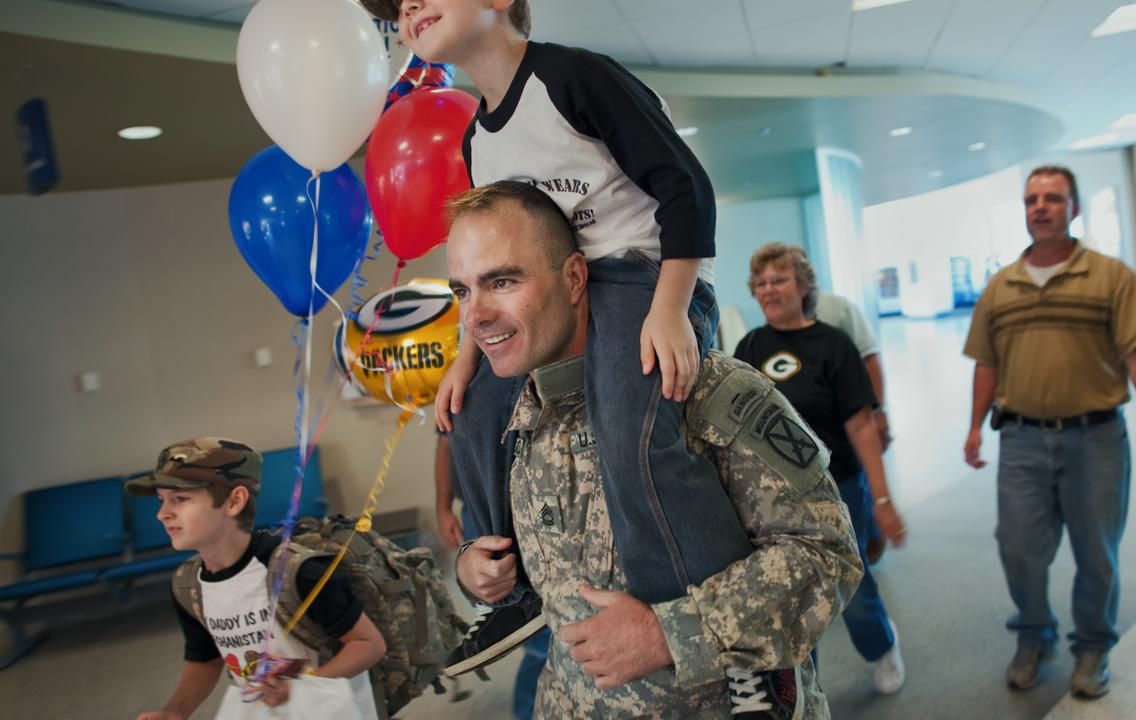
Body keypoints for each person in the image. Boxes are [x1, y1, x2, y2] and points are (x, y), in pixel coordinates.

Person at [360, 0, 756, 682]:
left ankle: (705, 632)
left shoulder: (575, 78)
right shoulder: (476, 141)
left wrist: (670, 308)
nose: (409, 8)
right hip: (552, 287)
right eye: (398, 6)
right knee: (472, 415)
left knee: (630, 432)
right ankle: (514, 590)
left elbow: (686, 188)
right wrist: (464, 362)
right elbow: (488, 264)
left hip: (642, 272)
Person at [444, 181, 861, 718]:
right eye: (462, 291)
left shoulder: (697, 388)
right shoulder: (516, 419)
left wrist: (671, 634)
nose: (475, 315)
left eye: (501, 281)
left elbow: (828, 554)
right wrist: (474, 572)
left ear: (573, 277)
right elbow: (540, 574)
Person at [963, 166, 1136, 699]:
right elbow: (986, 363)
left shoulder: (1111, 277)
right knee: (1017, 548)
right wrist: (973, 427)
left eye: (1054, 198)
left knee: (1096, 552)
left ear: (1074, 209)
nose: (1041, 207)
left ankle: (1093, 646)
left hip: (1096, 439)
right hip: (1021, 440)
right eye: (1032, 199)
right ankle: (1034, 634)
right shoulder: (1001, 286)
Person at [735, 243, 907, 696]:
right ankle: (804, 686)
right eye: (761, 283)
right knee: (788, 592)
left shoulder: (834, 344)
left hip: (837, 488)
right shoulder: (750, 346)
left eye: (779, 279)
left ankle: (883, 645)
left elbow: (860, 425)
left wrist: (884, 499)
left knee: (851, 586)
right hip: (772, 496)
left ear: (804, 286)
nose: (769, 289)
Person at [130, 438, 386, 719]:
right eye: (161, 500)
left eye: (180, 499)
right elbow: (205, 659)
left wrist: (301, 688)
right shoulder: (187, 584)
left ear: (235, 501)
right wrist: (175, 711)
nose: (162, 514)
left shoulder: (298, 572)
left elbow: (369, 645)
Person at [435, 430, 549, 720]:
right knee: (499, 595)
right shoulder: (455, 388)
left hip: (530, 496)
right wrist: (442, 508)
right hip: (478, 503)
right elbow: (445, 442)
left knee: (543, 637)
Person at [813, 290, 892, 563]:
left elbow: (871, 360)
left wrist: (878, 413)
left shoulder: (838, 308)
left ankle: (870, 534)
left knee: (858, 480)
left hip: (849, 418)